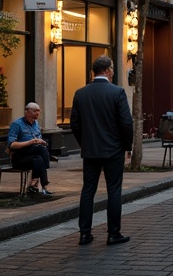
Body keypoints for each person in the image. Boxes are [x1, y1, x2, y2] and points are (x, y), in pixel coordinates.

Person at [70, 55, 134, 246]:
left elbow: (75, 123)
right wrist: (126, 147)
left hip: (90, 150)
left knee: (88, 190)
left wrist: (85, 142)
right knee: (114, 190)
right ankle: (113, 233)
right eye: (113, 68)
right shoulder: (117, 92)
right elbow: (126, 123)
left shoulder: (80, 93)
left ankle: (84, 233)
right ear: (106, 70)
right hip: (113, 150)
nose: (113, 71)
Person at [7, 102, 53, 195]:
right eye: (34, 111)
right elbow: (11, 145)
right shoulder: (17, 124)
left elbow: (38, 139)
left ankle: (38, 187)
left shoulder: (36, 124)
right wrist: (32, 142)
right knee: (40, 150)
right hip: (19, 156)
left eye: (38, 111)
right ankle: (47, 164)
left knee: (39, 159)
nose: (37, 113)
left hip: (32, 156)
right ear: (26, 112)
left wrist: (41, 141)